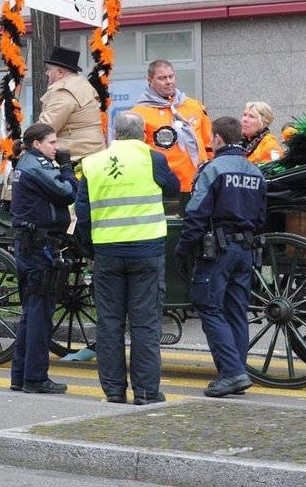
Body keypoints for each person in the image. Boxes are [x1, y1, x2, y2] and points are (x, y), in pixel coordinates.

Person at [75, 111, 180, 405]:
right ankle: (146, 393)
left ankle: (113, 391)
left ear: (114, 134)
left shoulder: (92, 164)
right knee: (145, 323)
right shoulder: (153, 158)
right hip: (146, 252)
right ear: (143, 134)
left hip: (107, 254)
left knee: (109, 324)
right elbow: (173, 188)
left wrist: (90, 248)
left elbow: (83, 215)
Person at [176, 116, 268, 398]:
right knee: (236, 312)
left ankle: (232, 373)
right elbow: (262, 216)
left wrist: (183, 249)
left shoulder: (213, 170)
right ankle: (237, 370)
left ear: (217, 139)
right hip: (245, 250)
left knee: (209, 308)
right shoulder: (255, 171)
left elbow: (196, 214)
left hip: (217, 250)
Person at [8, 123, 78, 395]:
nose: (57, 147)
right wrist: (66, 167)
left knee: (32, 313)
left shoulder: (30, 163)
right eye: (52, 142)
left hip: (34, 246)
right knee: (40, 315)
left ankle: (21, 375)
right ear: (37, 144)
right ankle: (35, 378)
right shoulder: (35, 166)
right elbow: (68, 192)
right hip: (40, 248)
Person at [132, 59, 212, 199]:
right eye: (162, 78)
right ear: (150, 80)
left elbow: (209, 143)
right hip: (164, 188)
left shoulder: (194, 106)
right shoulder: (139, 113)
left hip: (199, 184)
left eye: (171, 76)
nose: (168, 81)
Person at [36, 45, 105, 162]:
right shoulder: (81, 84)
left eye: (49, 69)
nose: (46, 73)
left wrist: (23, 143)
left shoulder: (65, 91)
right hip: (92, 157)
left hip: (75, 159)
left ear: (60, 72)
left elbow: (46, 127)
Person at [240, 101, 284, 166]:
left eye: (251, 116)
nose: (245, 120)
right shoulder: (240, 142)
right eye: (245, 115)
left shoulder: (270, 146)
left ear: (263, 122)